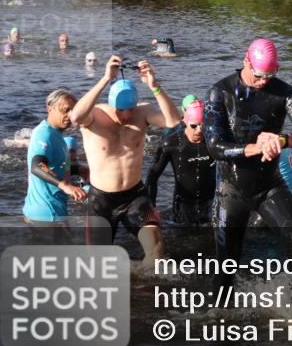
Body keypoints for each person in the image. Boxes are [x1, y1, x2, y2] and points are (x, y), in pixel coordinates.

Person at [205, 38, 292, 287]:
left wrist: (283, 140)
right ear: (246, 62)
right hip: (231, 190)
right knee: (227, 266)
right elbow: (214, 146)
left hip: (269, 186)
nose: (263, 81)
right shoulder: (220, 93)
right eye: (258, 75)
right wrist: (254, 148)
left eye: (270, 75)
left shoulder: (285, 93)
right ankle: (218, 316)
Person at [70, 56, 181, 265]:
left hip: (135, 196)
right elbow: (75, 117)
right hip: (100, 200)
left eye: (131, 109)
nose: (127, 115)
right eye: (121, 110)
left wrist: (154, 86)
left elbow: (174, 121)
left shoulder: (143, 111)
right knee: (96, 263)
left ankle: (144, 287)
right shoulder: (93, 115)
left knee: (156, 249)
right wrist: (105, 78)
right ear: (112, 104)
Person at [146, 100, 216, 225]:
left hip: (211, 202)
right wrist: (151, 208)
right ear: (185, 122)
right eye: (194, 126)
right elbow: (152, 177)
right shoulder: (171, 143)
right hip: (183, 205)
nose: (199, 130)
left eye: (203, 126)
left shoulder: (213, 141)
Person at [23, 89, 88, 223]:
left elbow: (58, 165)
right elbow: (36, 166)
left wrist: (79, 170)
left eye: (73, 111)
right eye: (65, 110)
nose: (70, 115)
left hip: (53, 212)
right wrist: (65, 185)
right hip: (45, 215)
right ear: (50, 109)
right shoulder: (44, 134)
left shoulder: (56, 134)